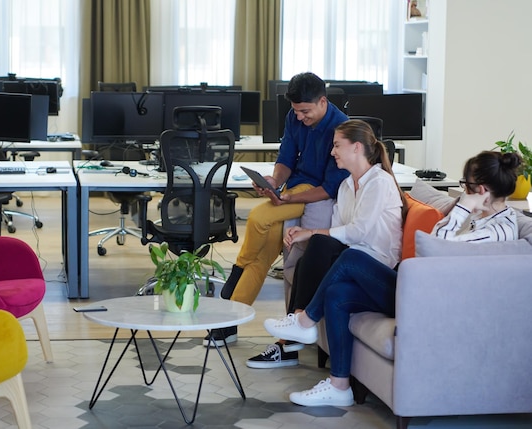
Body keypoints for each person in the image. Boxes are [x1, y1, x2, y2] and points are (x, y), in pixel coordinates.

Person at [263, 149, 521, 407]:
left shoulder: (497, 231)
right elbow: (437, 233)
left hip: (429, 304)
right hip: (416, 289)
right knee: (338, 293)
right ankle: (339, 385)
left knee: (353, 259)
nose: (464, 191)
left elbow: (439, 245)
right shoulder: (478, 216)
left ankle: (306, 320)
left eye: (466, 186)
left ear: (482, 190)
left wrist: (463, 207)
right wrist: (464, 210)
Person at [247, 118, 406, 369]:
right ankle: (294, 332)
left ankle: (299, 325)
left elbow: (356, 232)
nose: (332, 152)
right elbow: (338, 230)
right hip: (354, 255)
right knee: (314, 251)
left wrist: (312, 233)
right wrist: (308, 232)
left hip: (376, 265)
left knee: (320, 243)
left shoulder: (379, 182)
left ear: (356, 147)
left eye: (337, 146)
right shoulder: (345, 186)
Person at [205, 72, 349, 347]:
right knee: (262, 255)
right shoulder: (294, 117)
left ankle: (238, 268)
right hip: (293, 189)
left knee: (259, 218)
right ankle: (230, 323)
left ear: (322, 102)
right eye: (295, 111)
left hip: (317, 197)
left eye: (305, 111)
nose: (299, 117)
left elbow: (330, 188)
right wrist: (273, 181)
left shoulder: (341, 128)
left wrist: (287, 200)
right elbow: (286, 158)